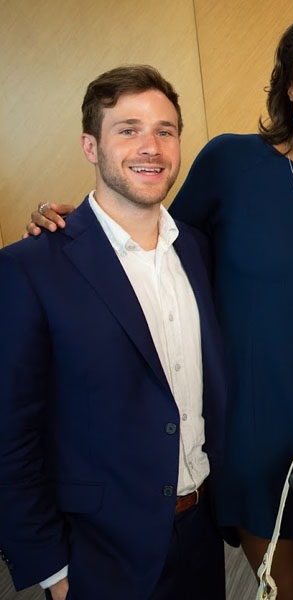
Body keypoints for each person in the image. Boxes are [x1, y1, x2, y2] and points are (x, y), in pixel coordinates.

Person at [25, 10, 293, 599]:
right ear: (288, 83)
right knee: (281, 587)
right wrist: (75, 226)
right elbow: (153, 242)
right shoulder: (230, 162)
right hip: (250, 420)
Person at [0, 66, 227, 600]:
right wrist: (53, 571)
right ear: (90, 145)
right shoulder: (30, 268)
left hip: (201, 530)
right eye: (127, 129)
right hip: (99, 551)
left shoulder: (195, 249)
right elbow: (10, 437)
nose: (150, 147)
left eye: (165, 131)